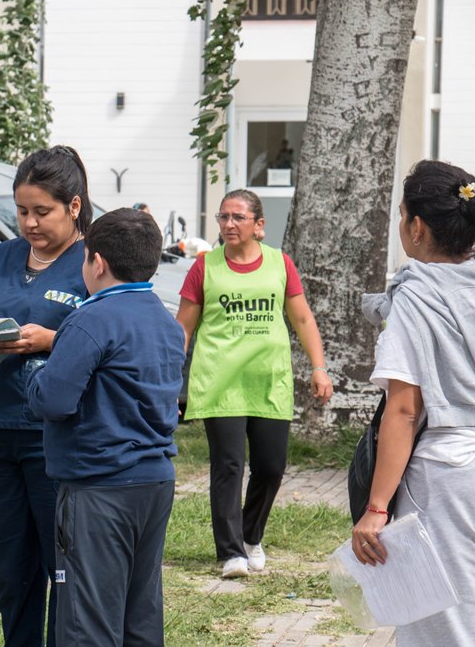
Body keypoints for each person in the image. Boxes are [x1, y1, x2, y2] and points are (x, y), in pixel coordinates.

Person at [28, 208, 185, 646]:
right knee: (141, 615)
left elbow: (54, 400)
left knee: (88, 622)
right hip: (154, 480)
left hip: (100, 486)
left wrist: (37, 375)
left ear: (97, 263)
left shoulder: (91, 318)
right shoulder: (165, 320)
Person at [0, 145, 92, 647]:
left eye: (42, 212)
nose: (29, 223)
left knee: (61, 567)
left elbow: (110, 336)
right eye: (22, 211)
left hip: (52, 437)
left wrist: (52, 340)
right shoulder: (3, 255)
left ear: (73, 207)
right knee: (10, 571)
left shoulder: (91, 262)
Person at [176, 189, 333, 579]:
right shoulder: (204, 267)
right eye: (223, 217)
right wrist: (168, 379)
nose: (228, 224)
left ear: (258, 225)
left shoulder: (280, 264)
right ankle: (230, 552)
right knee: (228, 466)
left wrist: (319, 367)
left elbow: (302, 320)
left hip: (268, 380)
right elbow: (183, 327)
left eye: (238, 217)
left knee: (271, 466)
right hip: (220, 381)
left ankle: (250, 535)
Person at [352, 160, 475, 644]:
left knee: (443, 615)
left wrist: (376, 508)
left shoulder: (418, 295)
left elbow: (405, 410)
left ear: (417, 227)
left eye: (402, 215)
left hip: (444, 473)